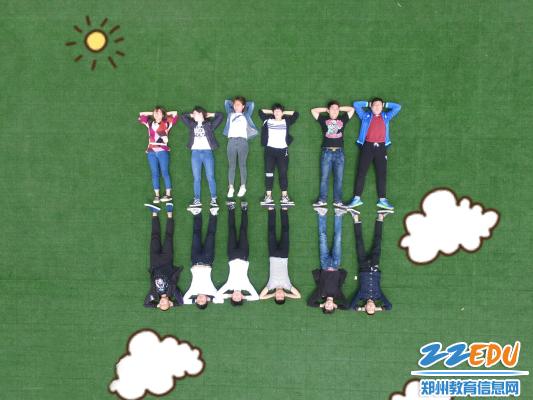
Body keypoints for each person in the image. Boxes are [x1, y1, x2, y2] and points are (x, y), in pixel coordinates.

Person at [345, 98, 402, 210]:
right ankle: (356, 199)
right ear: (371, 107)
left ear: (382, 107)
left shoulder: (386, 116)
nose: (377, 107)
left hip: (381, 147)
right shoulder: (365, 116)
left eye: (379, 105)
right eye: (375, 105)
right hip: (367, 146)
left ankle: (382, 200)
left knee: (382, 174)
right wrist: (368, 104)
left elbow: (398, 107)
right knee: (361, 172)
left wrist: (385, 104)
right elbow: (356, 104)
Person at [348, 209, 393, 315]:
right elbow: (389, 306)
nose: (371, 307)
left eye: (369, 309)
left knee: (359, 242)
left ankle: (355, 218)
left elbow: (351, 306)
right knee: (378, 241)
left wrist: (361, 309)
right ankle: (380, 217)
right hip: (374, 265)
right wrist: (379, 309)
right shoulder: (378, 295)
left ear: (365, 307)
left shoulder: (361, 295)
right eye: (372, 309)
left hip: (363, 266)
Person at [311, 101, 355, 208]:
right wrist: (327, 110)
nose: (334, 111)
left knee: (339, 179)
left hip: (339, 153)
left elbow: (352, 109)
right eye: (332, 108)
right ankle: (322, 200)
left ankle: (338, 201)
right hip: (327, 152)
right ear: (328, 110)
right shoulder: (323, 120)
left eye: (336, 109)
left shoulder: (342, 119)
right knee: (324, 178)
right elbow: (313, 111)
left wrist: (338, 109)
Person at [307, 206, 349, 313]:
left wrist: (320, 305)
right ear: (333, 306)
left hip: (325, 264)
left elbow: (310, 303)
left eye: (326, 307)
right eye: (331, 307)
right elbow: (347, 306)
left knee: (322, 237)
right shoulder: (338, 295)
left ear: (325, 305)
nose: (329, 305)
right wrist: (337, 306)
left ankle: (322, 214)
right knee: (338, 238)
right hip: (335, 264)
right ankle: (338, 215)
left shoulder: (321, 294)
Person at [216, 201, 259, 305]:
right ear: (241, 297)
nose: (236, 296)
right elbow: (256, 297)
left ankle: (231, 208)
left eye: (234, 298)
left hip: (232, 255)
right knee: (243, 230)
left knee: (231, 230)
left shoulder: (229, 286)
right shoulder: (246, 286)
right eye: (239, 298)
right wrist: (245, 297)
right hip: (243, 255)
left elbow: (217, 295)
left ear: (232, 297)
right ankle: (244, 210)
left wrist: (228, 295)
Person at [143, 202, 183, 310]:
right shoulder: (172, 291)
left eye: (161, 305)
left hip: (154, 262)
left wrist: (156, 305)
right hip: (166, 261)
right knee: (168, 237)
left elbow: (146, 304)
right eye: (165, 305)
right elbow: (181, 302)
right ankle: (169, 213)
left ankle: (154, 212)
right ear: (169, 303)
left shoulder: (154, 294)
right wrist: (173, 304)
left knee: (154, 236)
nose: (162, 304)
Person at [180, 107, 224, 208]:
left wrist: (209, 114)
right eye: (193, 114)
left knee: (210, 177)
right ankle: (197, 200)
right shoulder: (192, 124)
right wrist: (192, 115)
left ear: (201, 114)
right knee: (196, 178)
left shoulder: (209, 125)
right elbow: (183, 116)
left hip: (207, 152)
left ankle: (213, 199)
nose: (193, 115)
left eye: (195, 113)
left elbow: (220, 116)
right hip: (195, 153)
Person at [258, 104, 299, 206]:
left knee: (283, 173)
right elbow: (260, 111)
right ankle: (268, 196)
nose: (277, 112)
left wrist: (282, 112)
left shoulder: (286, 121)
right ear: (273, 112)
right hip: (269, 150)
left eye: (279, 111)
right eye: (275, 111)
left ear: (282, 113)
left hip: (282, 151)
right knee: (269, 173)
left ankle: (284, 196)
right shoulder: (268, 120)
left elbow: (296, 114)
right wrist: (274, 112)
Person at [259, 206, 301, 304]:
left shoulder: (270, 286)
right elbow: (298, 296)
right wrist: (287, 294)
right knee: (285, 232)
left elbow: (261, 297)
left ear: (275, 296)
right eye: (282, 296)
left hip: (273, 255)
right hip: (284, 255)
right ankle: (284, 210)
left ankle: (271, 210)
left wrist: (271, 294)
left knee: (271, 232)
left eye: (277, 297)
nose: (280, 295)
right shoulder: (287, 285)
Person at [183, 206, 222, 309]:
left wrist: (193, 300)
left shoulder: (193, 291)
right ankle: (213, 214)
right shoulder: (211, 291)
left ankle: (197, 213)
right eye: (203, 301)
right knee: (210, 236)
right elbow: (220, 300)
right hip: (207, 261)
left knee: (196, 235)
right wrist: (210, 299)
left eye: (198, 301)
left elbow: (184, 300)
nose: (200, 299)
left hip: (195, 261)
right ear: (206, 300)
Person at [138, 106, 178, 204]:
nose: (156, 114)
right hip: (151, 151)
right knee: (154, 173)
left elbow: (175, 114)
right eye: (155, 112)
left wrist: (164, 114)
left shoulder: (166, 123)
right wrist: (153, 114)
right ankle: (157, 195)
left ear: (163, 114)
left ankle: (168, 194)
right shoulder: (150, 123)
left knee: (165, 172)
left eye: (159, 112)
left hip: (162, 150)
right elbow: (141, 115)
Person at [223, 96, 259, 198]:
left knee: (242, 165)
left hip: (243, 141)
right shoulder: (230, 114)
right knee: (232, 165)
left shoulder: (246, 115)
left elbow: (251, 104)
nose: (236, 106)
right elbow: (226, 102)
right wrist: (236, 104)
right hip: (231, 141)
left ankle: (243, 186)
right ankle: (231, 187)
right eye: (235, 105)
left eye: (238, 105)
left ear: (243, 106)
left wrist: (242, 105)